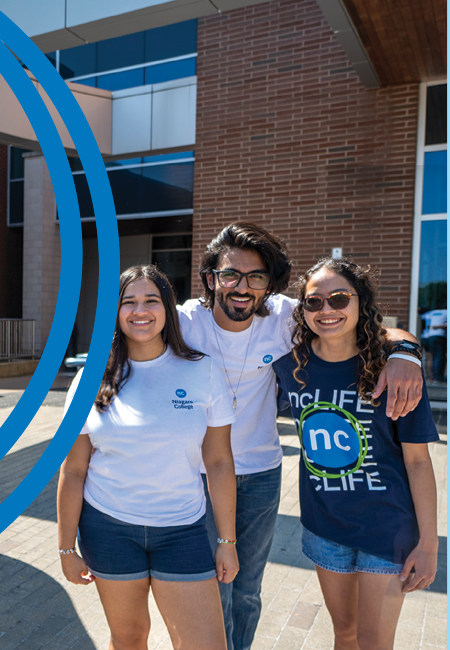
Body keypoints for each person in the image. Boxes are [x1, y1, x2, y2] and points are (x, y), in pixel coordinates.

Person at [176, 223, 424, 650]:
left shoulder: (286, 317)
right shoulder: (183, 323)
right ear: (210, 278)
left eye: (256, 277)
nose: (242, 287)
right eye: (230, 274)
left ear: (270, 285)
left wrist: (407, 354)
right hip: (193, 475)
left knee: (246, 589)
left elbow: (360, 324)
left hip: (259, 476)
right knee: (206, 587)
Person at [58, 265, 238, 650]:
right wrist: (66, 548)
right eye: (129, 302)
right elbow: (73, 470)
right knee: (128, 639)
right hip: (109, 530)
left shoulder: (201, 371)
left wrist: (227, 540)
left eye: (151, 300)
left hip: (183, 530)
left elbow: (220, 462)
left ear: (167, 309)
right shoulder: (91, 378)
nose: (140, 310)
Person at [274, 259, 438, 650]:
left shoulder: (396, 371)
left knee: (373, 642)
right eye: (314, 302)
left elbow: (418, 461)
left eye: (339, 298)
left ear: (360, 302)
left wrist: (429, 544)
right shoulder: (289, 365)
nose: (326, 310)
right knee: (344, 636)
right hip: (324, 527)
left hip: (387, 529)